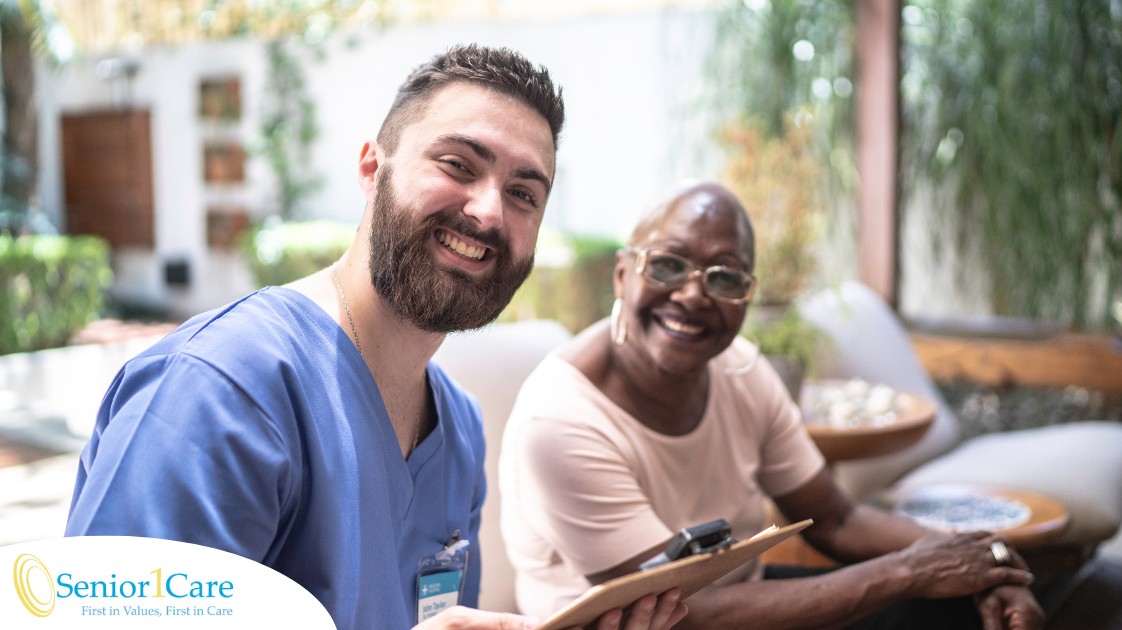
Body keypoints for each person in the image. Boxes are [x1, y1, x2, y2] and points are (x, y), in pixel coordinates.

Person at [65, 44, 686, 630]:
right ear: (372, 169)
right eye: (457, 165)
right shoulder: (220, 390)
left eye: (523, 193)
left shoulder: (459, 431)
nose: (490, 211)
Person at [499, 180, 1045, 629]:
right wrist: (909, 572)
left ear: (747, 296)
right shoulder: (561, 421)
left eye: (724, 277)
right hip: (655, 624)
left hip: (738, 604)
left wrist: (983, 565)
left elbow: (836, 518)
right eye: (667, 265)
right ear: (623, 274)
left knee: (958, 610)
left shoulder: (741, 369)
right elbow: (677, 611)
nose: (693, 294)